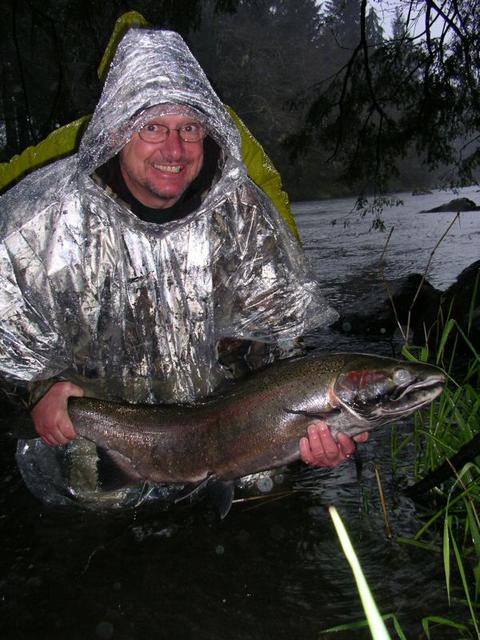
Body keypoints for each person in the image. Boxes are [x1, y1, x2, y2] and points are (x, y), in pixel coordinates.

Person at [0, 27, 367, 507]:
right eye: (152, 126)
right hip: (102, 447)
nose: (174, 150)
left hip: (234, 447)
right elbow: (8, 345)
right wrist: (39, 392)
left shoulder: (243, 215)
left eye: (189, 128)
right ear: (114, 128)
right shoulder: (43, 220)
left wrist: (332, 420)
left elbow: (284, 346)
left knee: (264, 529)